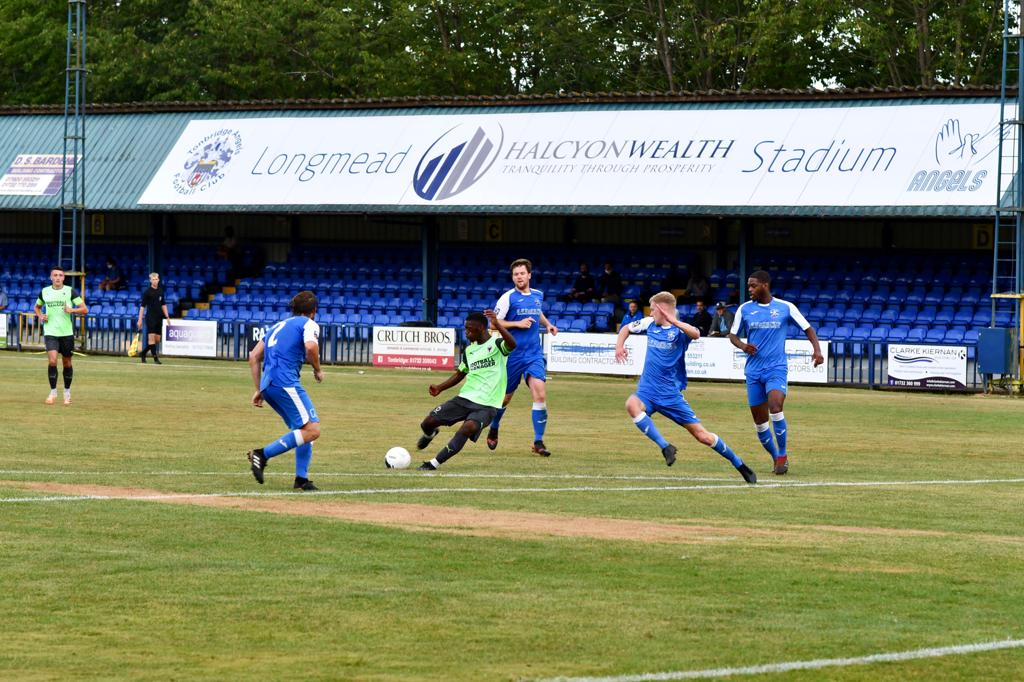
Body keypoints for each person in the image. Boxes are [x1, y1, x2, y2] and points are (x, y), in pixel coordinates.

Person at [615, 291, 755, 483]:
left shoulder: (680, 331)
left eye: (653, 309)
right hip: (647, 391)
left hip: (670, 395)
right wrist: (619, 347)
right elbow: (625, 329)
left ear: (663, 311)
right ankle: (666, 447)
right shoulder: (649, 324)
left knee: (702, 436)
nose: (650, 314)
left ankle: (739, 463)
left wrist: (673, 321)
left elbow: (696, 334)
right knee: (632, 404)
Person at [728, 270, 823, 476]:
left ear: (765, 285)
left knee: (775, 406)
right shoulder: (744, 309)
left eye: (753, 286)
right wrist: (743, 346)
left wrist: (817, 350)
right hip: (753, 371)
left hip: (776, 368)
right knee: (760, 423)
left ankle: (782, 454)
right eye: (749, 286)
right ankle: (775, 457)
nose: (750, 290)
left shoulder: (785, 307)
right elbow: (732, 335)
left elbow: (808, 328)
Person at [415, 310, 516, 470]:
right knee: (427, 423)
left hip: (487, 405)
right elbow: (460, 374)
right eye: (465, 328)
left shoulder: (497, 345)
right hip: (464, 399)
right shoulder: (469, 351)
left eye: (469, 329)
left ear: (481, 329)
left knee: (467, 428)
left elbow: (512, 344)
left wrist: (497, 325)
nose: (466, 333)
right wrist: (440, 387)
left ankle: (433, 463)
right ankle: (430, 434)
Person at [245, 290, 324, 491]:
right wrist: (317, 369)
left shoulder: (277, 326)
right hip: (285, 383)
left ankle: (301, 480)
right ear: (314, 311)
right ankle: (262, 454)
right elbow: (311, 347)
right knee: (313, 430)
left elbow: (253, 357)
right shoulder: (309, 324)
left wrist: (259, 389)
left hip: (270, 384)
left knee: (304, 429)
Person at [488, 258, 559, 457]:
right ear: (513, 277)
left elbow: (537, 313)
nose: (519, 277)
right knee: (505, 398)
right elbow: (493, 324)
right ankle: (494, 426)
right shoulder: (507, 298)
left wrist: (547, 324)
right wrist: (517, 324)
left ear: (529, 275)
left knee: (540, 394)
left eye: (522, 273)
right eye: (515, 274)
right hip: (513, 355)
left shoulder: (538, 295)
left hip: (533, 354)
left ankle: (538, 441)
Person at [34, 266, 88, 405]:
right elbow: (37, 307)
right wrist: (41, 316)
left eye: (60, 275)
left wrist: (72, 310)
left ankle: (67, 392)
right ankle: (52, 393)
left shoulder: (69, 291)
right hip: (50, 332)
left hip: (66, 333)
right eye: (55, 275)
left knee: (67, 362)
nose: (58, 277)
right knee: (52, 361)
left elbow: (84, 309)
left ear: (64, 278)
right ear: (51, 277)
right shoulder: (44, 292)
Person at [137, 272, 170, 364]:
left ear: (158, 280)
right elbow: (142, 307)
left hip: (159, 317)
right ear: (150, 280)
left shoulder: (160, 291)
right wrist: (140, 319)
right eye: (153, 279)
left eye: (156, 279)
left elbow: (163, 304)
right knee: (151, 339)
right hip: (150, 317)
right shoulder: (147, 292)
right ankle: (156, 359)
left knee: (157, 340)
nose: (155, 281)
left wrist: (167, 316)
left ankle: (143, 353)